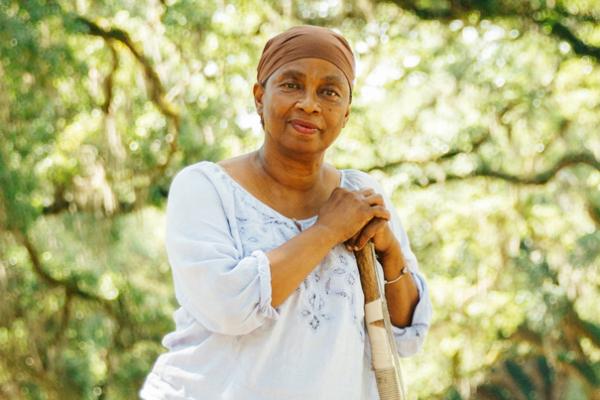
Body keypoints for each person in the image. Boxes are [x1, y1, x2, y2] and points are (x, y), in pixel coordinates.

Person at [140, 25, 432, 400]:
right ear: (259, 97)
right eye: (292, 85)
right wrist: (327, 230)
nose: (309, 104)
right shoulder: (206, 189)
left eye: (329, 92)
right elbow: (228, 309)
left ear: (345, 113)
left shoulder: (362, 195)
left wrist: (390, 253)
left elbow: (406, 338)